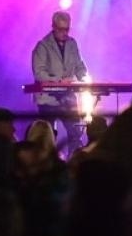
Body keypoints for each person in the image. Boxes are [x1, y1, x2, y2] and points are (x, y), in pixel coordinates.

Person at [30, 10, 90, 152]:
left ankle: (72, 166)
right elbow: (39, 73)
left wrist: (84, 78)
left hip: (68, 97)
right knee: (47, 137)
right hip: (48, 99)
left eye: (67, 29)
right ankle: (48, 166)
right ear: (53, 26)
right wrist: (59, 81)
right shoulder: (43, 46)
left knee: (75, 134)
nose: (65, 33)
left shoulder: (72, 44)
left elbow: (79, 65)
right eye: (61, 29)